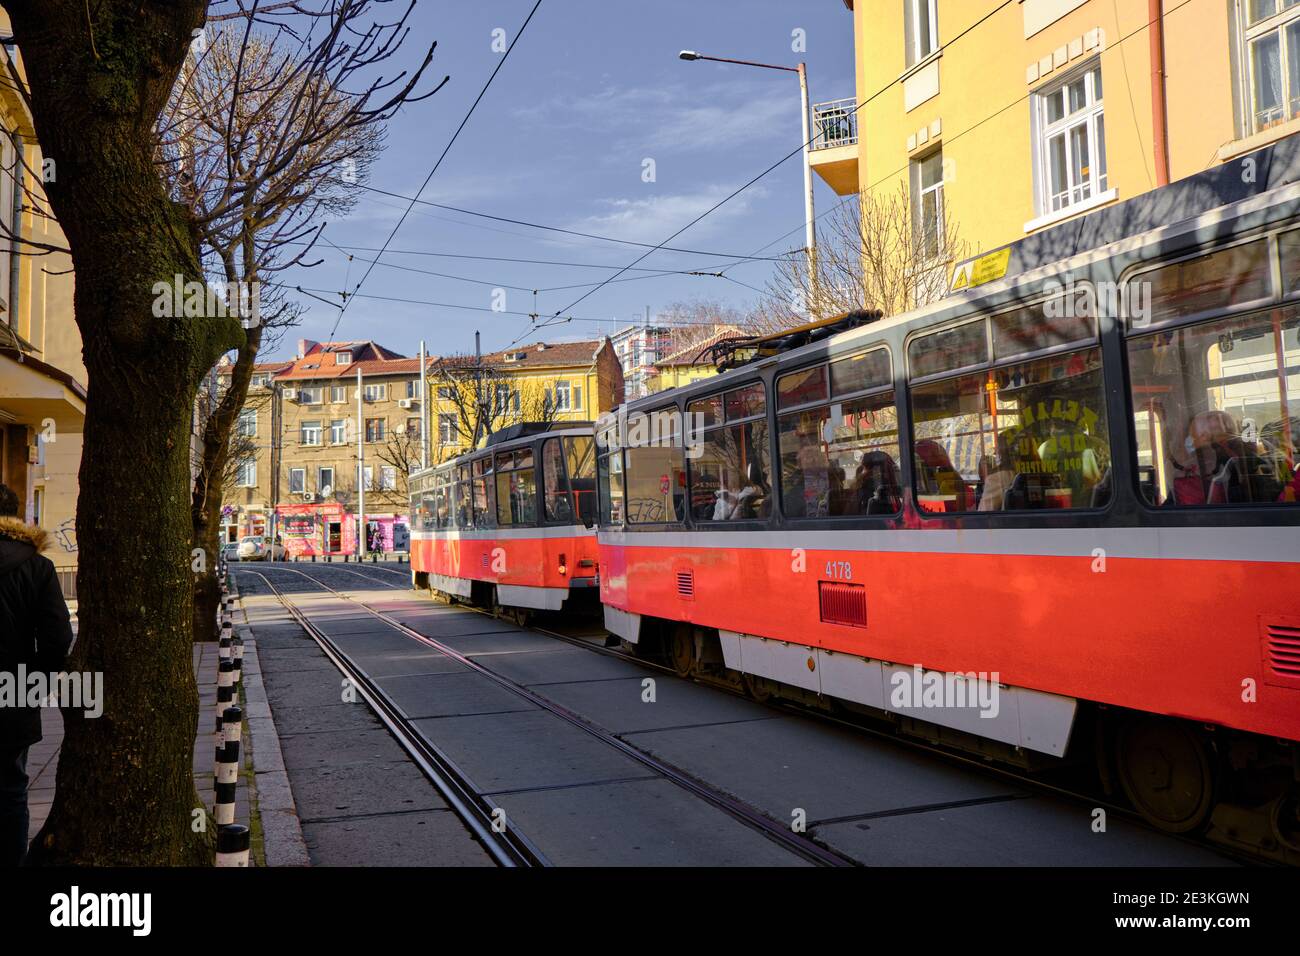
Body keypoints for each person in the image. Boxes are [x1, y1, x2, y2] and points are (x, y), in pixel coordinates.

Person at [0, 483, 74, 866]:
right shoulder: (37, 567)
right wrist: (35, 685)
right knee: (10, 790)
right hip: (11, 696)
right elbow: (57, 636)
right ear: (17, 518)